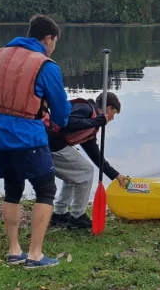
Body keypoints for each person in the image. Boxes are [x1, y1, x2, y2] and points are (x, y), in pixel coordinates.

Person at [0, 14, 71, 269]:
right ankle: (35, 254)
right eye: (55, 41)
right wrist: (55, 120)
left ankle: (14, 251)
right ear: (49, 38)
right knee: (46, 190)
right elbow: (62, 112)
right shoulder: (45, 65)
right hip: (29, 137)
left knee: (12, 190)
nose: (54, 46)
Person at [47, 91, 130, 229]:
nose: (112, 118)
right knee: (86, 172)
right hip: (51, 146)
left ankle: (59, 214)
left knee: (74, 175)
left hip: (54, 147)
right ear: (108, 108)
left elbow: (96, 156)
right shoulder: (86, 109)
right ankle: (77, 217)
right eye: (113, 114)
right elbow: (67, 122)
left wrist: (116, 176)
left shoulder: (90, 125)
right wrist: (96, 121)